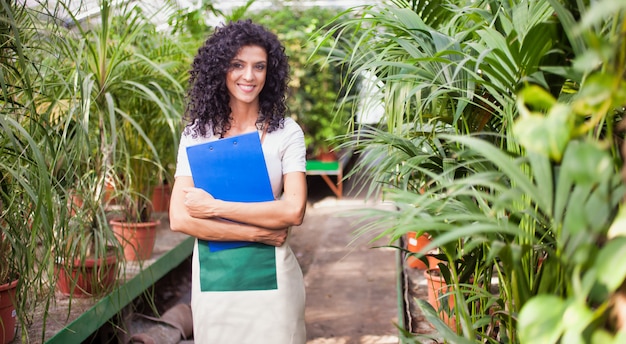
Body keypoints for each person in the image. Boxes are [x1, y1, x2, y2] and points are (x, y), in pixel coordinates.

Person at [169, 20, 308, 344]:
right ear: (220, 69)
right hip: (214, 279)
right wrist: (256, 232)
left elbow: (293, 211)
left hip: (275, 279)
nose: (249, 76)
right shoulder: (196, 135)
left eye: (259, 66)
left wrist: (215, 207)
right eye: (238, 65)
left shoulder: (286, 132)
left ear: (269, 73)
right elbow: (178, 217)